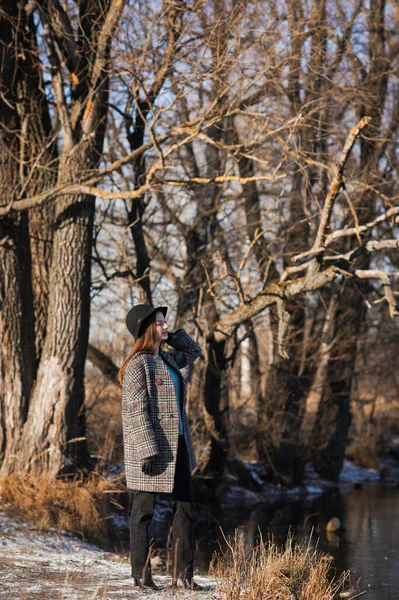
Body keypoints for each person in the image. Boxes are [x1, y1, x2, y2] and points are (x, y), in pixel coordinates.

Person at [118, 303, 203, 591]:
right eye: (160, 323)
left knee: (185, 507)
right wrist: (147, 449)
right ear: (145, 329)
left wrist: (173, 334)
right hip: (151, 449)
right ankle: (141, 576)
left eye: (165, 322)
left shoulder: (167, 359)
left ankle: (184, 576)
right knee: (143, 512)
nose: (165, 326)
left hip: (178, 446)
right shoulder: (137, 365)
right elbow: (135, 410)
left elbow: (194, 352)